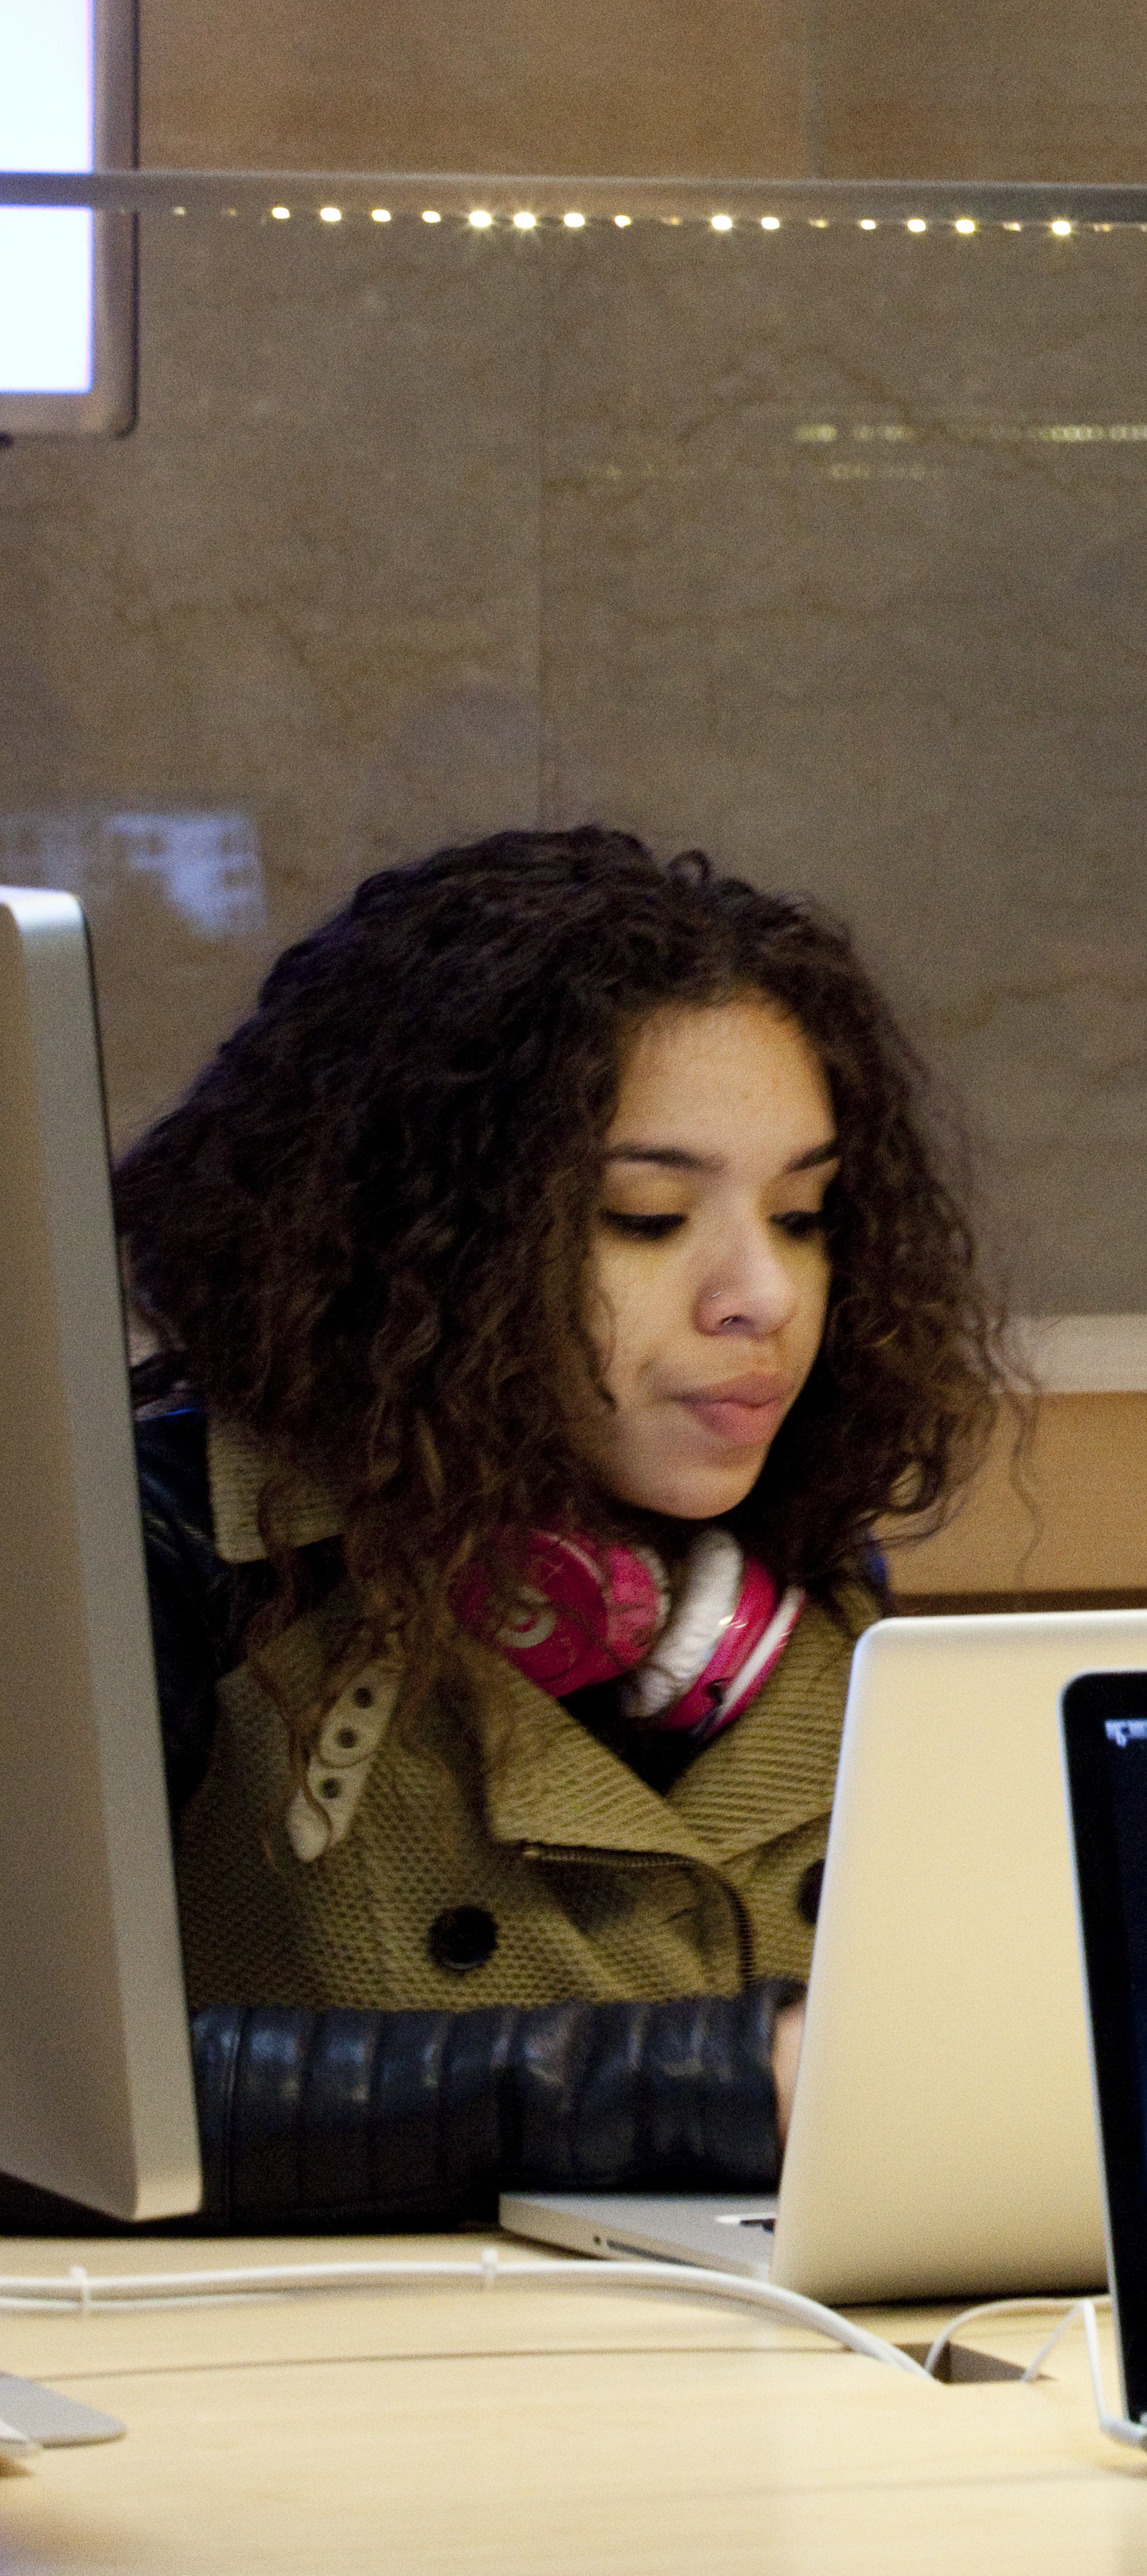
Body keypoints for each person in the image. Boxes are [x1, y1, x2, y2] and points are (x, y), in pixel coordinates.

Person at [110, 829, 1003, 2225]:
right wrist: (715, 2081)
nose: (760, 1292)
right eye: (646, 1218)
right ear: (416, 1235)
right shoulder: (166, 1544)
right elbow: (57, 2114)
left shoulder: (810, 1569)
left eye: (805, 1212)